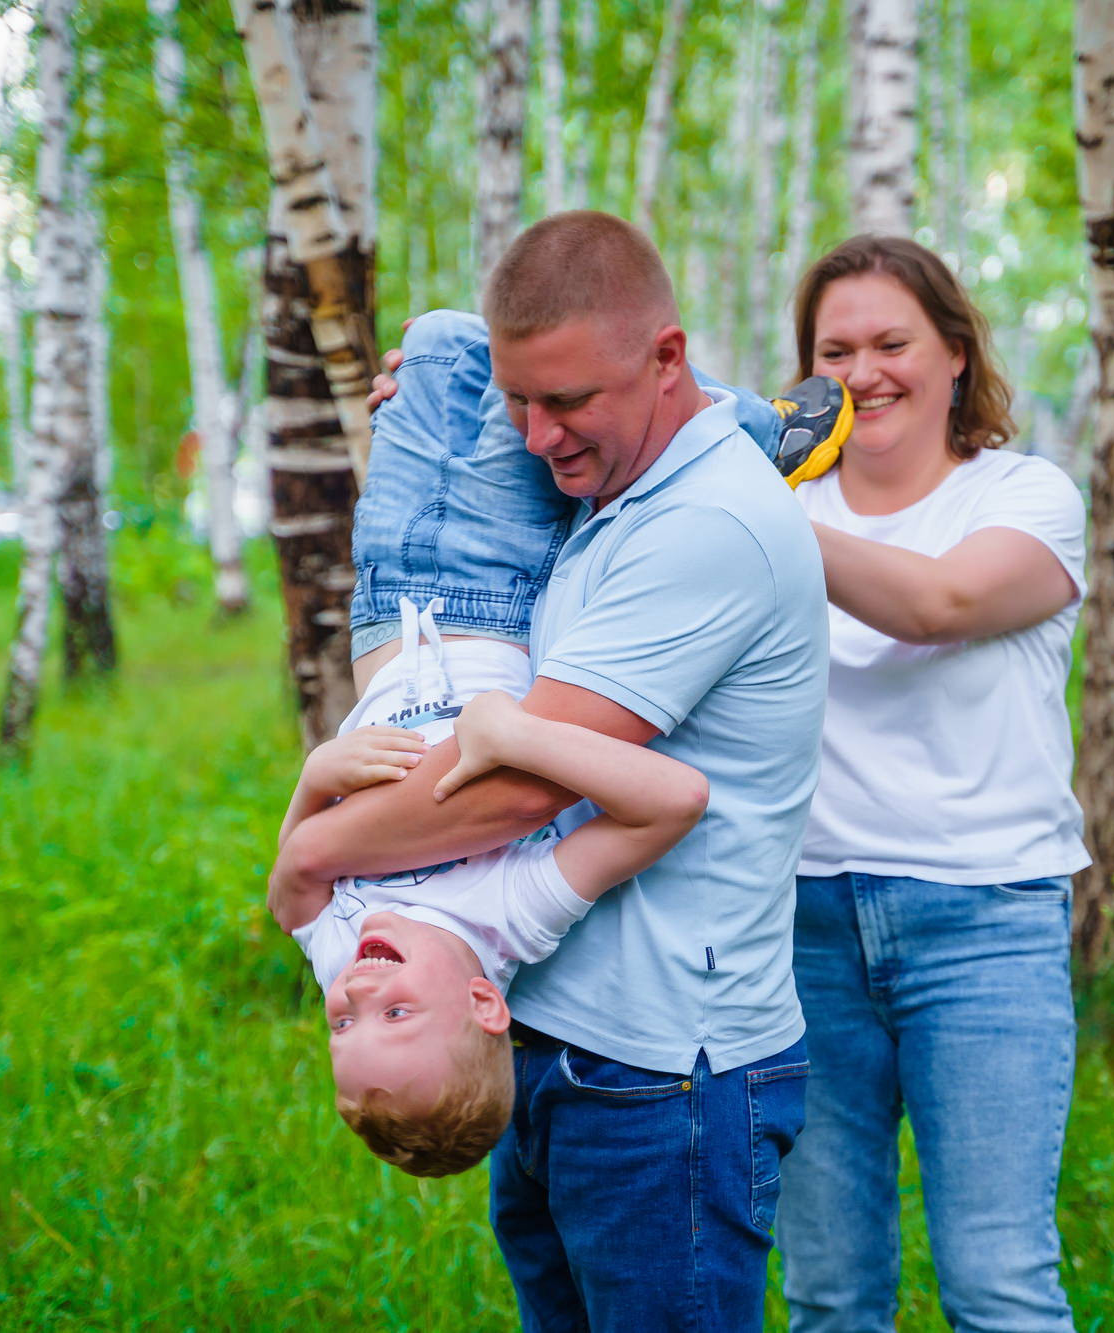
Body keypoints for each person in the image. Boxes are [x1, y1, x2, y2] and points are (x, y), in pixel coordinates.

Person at [270, 211, 829, 1330]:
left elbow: (516, 793)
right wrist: (447, 401)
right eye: (520, 401)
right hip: (549, 1050)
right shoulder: (620, 487)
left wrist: (314, 844)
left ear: (667, 360)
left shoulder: (708, 524)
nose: (534, 437)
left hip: (659, 1078)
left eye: (566, 400)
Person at [774, 235, 1088, 1332]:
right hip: (798, 931)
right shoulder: (786, 507)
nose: (863, 373)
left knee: (998, 1286)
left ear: (955, 352)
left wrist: (753, 513)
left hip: (983, 923)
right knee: (828, 1295)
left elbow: (939, 605)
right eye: (835, 352)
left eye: (891, 343)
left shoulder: (1026, 497)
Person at [269, 597, 709, 1179]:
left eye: (342, 1025)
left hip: (386, 619)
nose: (357, 994)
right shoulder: (510, 915)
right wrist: (514, 737)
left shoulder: (342, 960)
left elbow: (290, 885)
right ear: (483, 1003)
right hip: (501, 611)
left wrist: (314, 781)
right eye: (395, 1013)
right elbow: (675, 801)